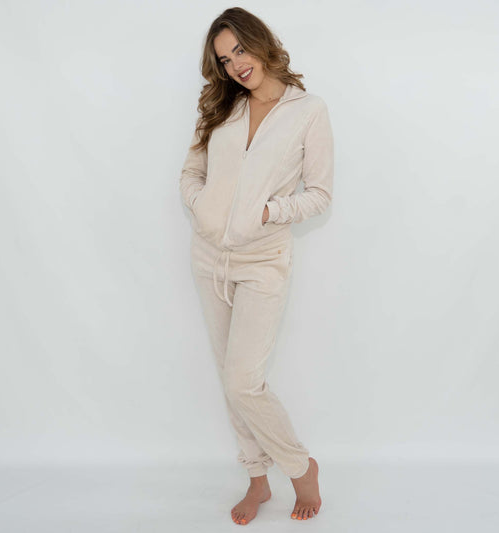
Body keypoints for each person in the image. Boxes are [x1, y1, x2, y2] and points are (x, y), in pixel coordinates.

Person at [179, 6, 333, 525]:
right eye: (225, 59)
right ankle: (256, 479)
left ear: (260, 42)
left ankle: (300, 468)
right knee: (231, 382)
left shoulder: (308, 110)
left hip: (262, 260)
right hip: (208, 258)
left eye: (240, 50)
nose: (235, 64)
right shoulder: (222, 105)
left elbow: (320, 194)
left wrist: (267, 212)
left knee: (244, 381)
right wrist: (203, 206)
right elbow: (191, 171)